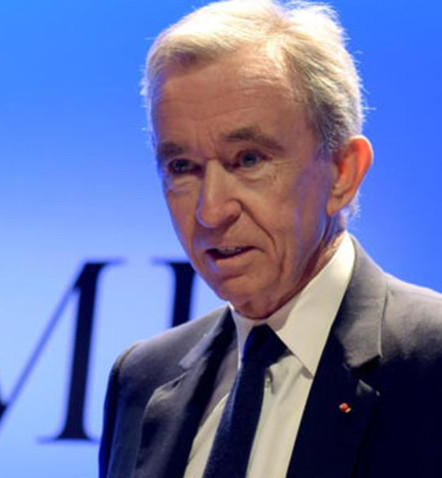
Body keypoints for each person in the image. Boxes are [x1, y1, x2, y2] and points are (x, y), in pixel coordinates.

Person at [98, 1, 442, 477]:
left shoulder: (430, 361)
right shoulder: (141, 379)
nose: (211, 212)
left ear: (343, 172)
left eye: (248, 160)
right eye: (182, 167)